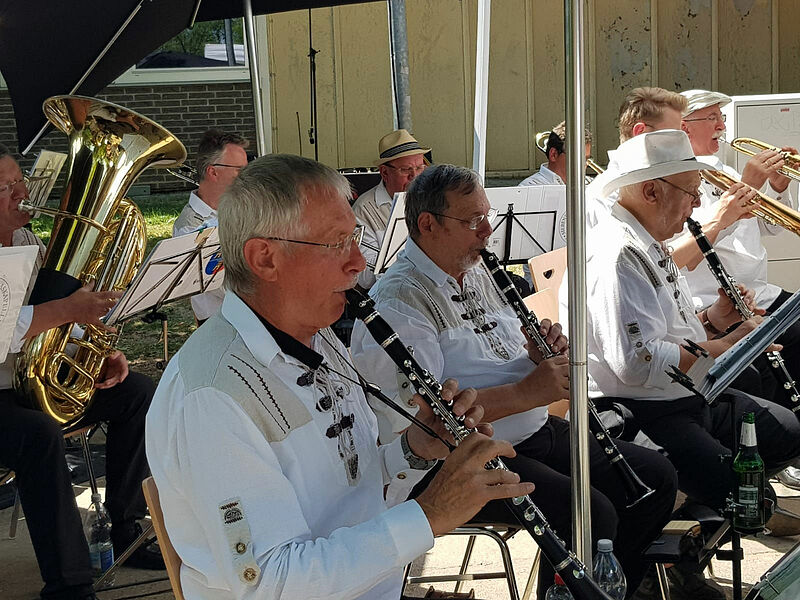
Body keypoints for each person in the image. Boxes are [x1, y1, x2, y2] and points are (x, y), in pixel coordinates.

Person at [145, 153, 533, 600]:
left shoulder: (320, 338)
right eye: (335, 244)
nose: (358, 264)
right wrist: (429, 515)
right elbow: (271, 582)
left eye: (356, 238)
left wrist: (416, 449)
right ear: (265, 258)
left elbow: (352, 486)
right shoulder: (213, 397)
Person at [350, 163, 678, 600]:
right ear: (427, 224)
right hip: (459, 458)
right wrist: (527, 391)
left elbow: (505, 355)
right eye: (473, 221)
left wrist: (538, 354)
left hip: (532, 430)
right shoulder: (398, 300)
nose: (488, 231)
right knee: (591, 514)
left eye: (487, 216)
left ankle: (612, 587)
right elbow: (411, 417)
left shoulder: (479, 270)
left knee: (655, 478)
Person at [571, 130, 800, 597]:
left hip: (685, 394)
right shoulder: (618, 254)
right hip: (637, 409)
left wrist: (714, 319)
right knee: (744, 492)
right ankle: (667, 569)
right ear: (651, 190)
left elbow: (668, 329)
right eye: (690, 194)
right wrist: (729, 344)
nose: (697, 207)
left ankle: (685, 546)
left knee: (788, 433)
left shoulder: (649, 237)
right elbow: (638, 363)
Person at [0, 144, 163, 600]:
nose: (23, 193)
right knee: (38, 436)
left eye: (20, 181)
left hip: (30, 380)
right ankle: (69, 585)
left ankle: (125, 527)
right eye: (7, 187)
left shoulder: (28, 242)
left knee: (137, 392)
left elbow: (48, 328)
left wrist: (92, 352)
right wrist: (67, 308)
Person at [173, 129, 249, 322]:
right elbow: (217, 284)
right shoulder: (189, 226)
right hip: (223, 321)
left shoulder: (240, 206)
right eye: (240, 170)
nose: (246, 177)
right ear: (213, 171)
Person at [586, 87, 687, 227]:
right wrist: (717, 221)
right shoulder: (607, 196)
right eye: (673, 136)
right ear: (640, 132)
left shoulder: (656, 183)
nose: (682, 146)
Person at [353, 129, 429, 290]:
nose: (414, 176)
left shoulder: (432, 199)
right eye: (405, 169)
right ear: (385, 173)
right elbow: (366, 277)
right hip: (391, 295)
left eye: (420, 168)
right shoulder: (364, 209)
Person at [519, 120, 592, 186]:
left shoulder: (591, 184)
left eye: (586, 159)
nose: (584, 165)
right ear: (553, 155)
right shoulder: (530, 186)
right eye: (577, 158)